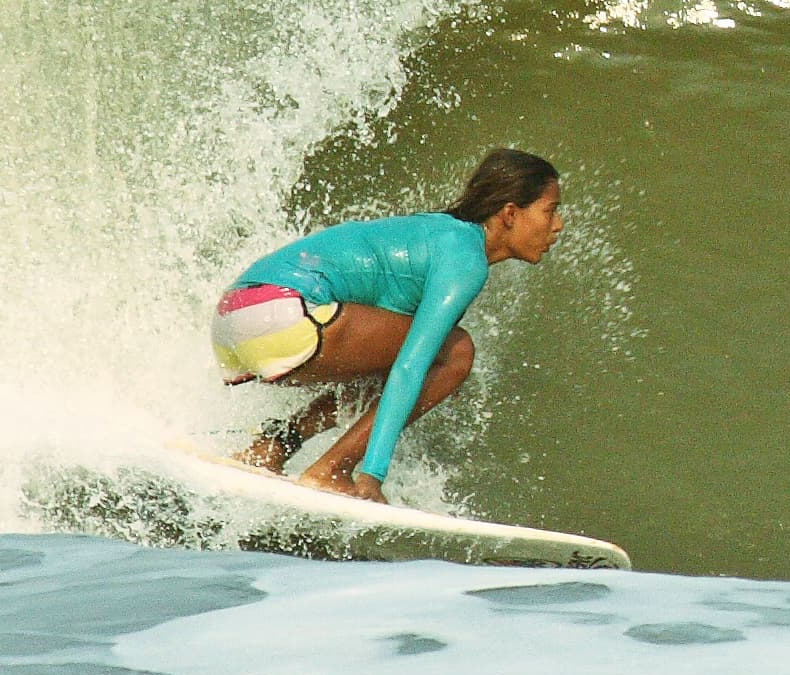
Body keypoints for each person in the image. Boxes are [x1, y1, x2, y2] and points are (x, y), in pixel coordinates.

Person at [209, 147, 564, 502]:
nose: (558, 225)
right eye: (550, 211)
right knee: (456, 353)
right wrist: (372, 475)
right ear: (510, 214)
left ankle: (273, 447)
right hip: (285, 314)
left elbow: (393, 362)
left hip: (234, 322)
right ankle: (332, 470)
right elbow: (412, 367)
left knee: (389, 368)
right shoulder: (466, 258)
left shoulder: (434, 235)